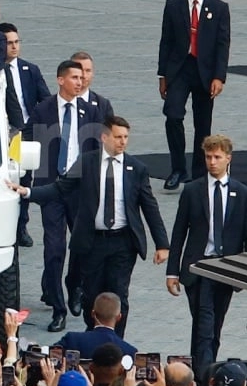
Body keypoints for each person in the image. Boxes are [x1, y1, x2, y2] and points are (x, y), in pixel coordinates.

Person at [14, 116, 169, 336]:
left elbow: (149, 206)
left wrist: (162, 244)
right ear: (104, 137)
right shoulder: (87, 162)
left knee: (119, 295)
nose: (123, 142)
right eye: (117, 137)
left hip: (123, 243)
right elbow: (60, 188)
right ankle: (93, 335)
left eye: (126, 137)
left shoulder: (137, 168)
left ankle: (116, 341)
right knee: (92, 295)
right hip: (92, 241)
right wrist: (28, 192)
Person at [166, 134, 247, 378]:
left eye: (217, 157)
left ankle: (204, 371)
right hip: (198, 267)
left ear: (228, 158)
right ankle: (205, 377)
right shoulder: (192, 190)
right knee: (204, 324)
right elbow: (179, 233)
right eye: (208, 157)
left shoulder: (243, 193)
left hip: (226, 268)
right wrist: (172, 271)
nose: (212, 162)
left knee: (213, 325)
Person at [27, 60, 103, 332]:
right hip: (51, 187)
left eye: (82, 77)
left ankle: (75, 286)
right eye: (74, 77)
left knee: (82, 246)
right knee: (54, 249)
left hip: (80, 190)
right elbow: (26, 140)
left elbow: (98, 150)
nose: (80, 82)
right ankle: (58, 309)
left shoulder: (91, 110)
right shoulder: (43, 109)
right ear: (60, 80)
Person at [158, 0, 231, 190]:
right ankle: (178, 168)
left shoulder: (219, 7)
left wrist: (219, 76)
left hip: (205, 72)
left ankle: (200, 173)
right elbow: (166, 41)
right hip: (180, 69)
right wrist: (163, 75)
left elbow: (223, 45)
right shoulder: (173, 5)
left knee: (202, 124)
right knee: (173, 114)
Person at [0, 22, 50, 248]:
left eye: (17, 42)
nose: (14, 47)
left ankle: (21, 226)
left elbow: (45, 100)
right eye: (9, 43)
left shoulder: (30, 70)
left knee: (25, 179)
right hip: (0, 131)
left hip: (25, 131)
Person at [52, 292, 138, 358]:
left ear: (93, 313)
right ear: (119, 317)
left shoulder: (72, 339)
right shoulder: (129, 351)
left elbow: (49, 356)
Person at [72, 51, 115, 122]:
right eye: (80, 70)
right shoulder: (54, 104)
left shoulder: (103, 105)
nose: (84, 75)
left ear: (93, 73)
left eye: (88, 70)